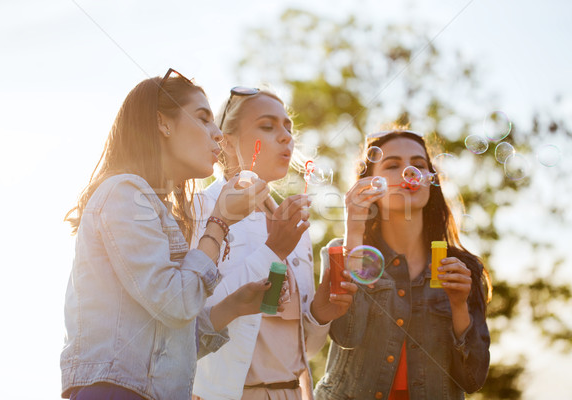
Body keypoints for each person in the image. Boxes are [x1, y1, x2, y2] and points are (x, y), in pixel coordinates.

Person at [60, 69, 273, 400]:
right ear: (164, 123)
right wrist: (220, 220)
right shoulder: (124, 192)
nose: (218, 134)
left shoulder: (155, 209)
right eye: (203, 118)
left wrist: (233, 305)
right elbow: (177, 304)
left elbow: (167, 341)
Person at [191, 87, 358, 400]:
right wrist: (273, 251)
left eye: (288, 128)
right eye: (267, 126)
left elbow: (304, 348)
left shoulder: (291, 221)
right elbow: (194, 322)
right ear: (225, 141)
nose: (286, 137)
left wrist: (321, 313)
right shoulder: (199, 211)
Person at [314, 128, 491, 400]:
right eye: (393, 165)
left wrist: (459, 306)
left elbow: (472, 379)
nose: (409, 173)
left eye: (418, 166)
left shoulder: (462, 268)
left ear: (431, 182)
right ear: (371, 184)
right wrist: (354, 226)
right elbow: (346, 335)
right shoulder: (341, 251)